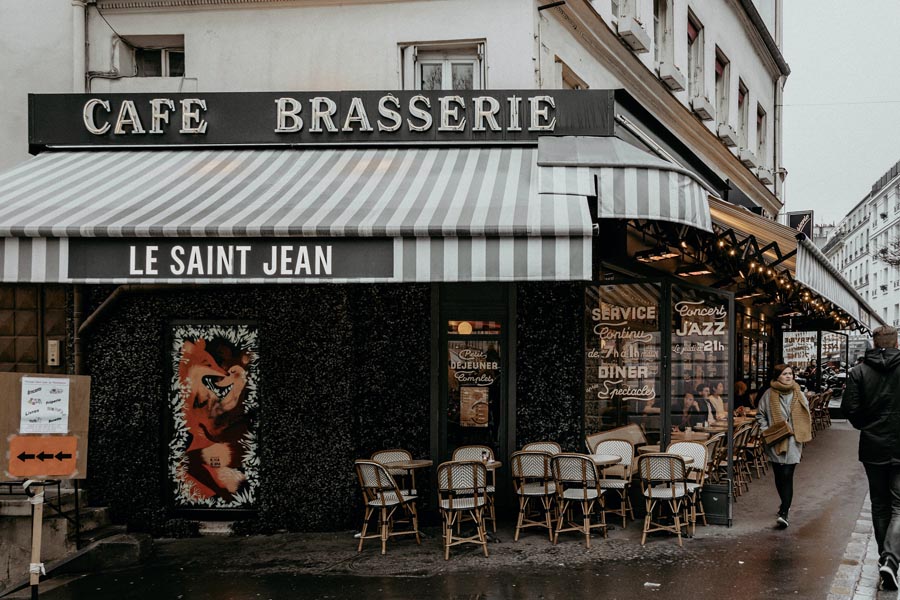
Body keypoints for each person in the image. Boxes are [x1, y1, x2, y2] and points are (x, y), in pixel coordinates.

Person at [841, 325, 900, 591]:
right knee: (899, 505)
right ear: (896, 342)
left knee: (879, 503)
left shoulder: (858, 372)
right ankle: (891, 558)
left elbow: (850, 409)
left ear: (874, 344)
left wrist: (870, 425)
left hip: (873, 445)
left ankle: (884, 558)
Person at [755, 364, 812, 529]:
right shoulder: (769, 394)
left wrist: (799, 428)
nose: (788, 377)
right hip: (775, 440)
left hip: (794, 440)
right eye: (785, 374)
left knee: (787, 474)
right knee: (779, 475)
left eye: (790, 374)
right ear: (777, 376)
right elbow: (760, 415)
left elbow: (806, 413)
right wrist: (766, 430)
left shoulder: (798, 393)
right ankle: (783, 504)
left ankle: (784, 512)